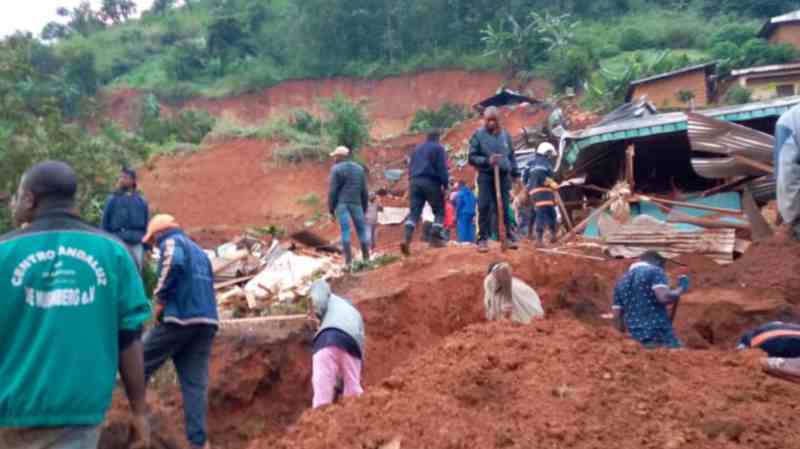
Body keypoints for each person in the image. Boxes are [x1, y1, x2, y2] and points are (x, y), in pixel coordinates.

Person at [0, 161, 151, 449]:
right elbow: (129, 339)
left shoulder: (4, 253)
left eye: (18, 195)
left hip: (10, 412)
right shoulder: (114, 253)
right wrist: (140, 411)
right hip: (79, 415)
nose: (14, 203)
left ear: (30, 199)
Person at [141, 214, 219, 449]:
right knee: (194, 385)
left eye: (153, 243)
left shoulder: (172, 242)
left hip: (180, 319)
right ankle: (199, 442)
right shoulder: (200, 253)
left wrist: (160, 300)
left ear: (158, 234)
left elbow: (173, 263)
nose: (155, 248)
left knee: (135, 364)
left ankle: (121, 416)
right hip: (206, 323)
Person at [468, 106, 521, 252]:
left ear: (498, 120)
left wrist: (516, 174)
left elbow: (511, 156)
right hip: (485, 175)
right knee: (484, 206)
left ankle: (509, 236)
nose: (491, 123)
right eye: (488, 120)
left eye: (494, 120)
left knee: (504, 206)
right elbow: (471, 158)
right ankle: (482, 239)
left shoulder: (505, 136)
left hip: (503, 176)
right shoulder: (478, 135)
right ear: (484, 120)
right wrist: (487, 160)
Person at [612, 251, 689, 349]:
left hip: (636, 341)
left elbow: (617, 317)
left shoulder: (620, 282)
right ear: (658, 262)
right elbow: (664, 297)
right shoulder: (655, 271)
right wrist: (681, 288)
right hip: (660, 337)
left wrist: (622, 342)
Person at [308, 280, 365, 408]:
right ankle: (358, 414)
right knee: (353, 391)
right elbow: (359, 349)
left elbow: (319, 287)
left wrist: (316, 314)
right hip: (351, 344)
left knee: (322, 395)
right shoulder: (355, 314)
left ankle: (318, 421)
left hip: (325, 341)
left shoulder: (329, 296)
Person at [401, 130, 450, 256]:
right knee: (439, 210)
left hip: (414, 182)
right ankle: (435, 238)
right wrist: (446, 185)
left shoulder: (416, 149)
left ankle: (406, 238)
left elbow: (410, 167)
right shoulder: (438, 148)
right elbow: (442, 168)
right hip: (430, 182)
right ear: (438, 138)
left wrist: (411, 182)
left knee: (414, 212)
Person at [328, 146, 370, 267]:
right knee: (362, 231)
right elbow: (364, 191)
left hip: (342, 204)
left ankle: (348, 262)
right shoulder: (359, 169)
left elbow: (333, 191)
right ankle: (367, 259)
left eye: (335, 156)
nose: (334, 158)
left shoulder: (336, 169)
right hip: (357, 204)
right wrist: (365, 208)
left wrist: (331, 209)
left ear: (340, 157)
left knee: (345, 232)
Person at [102, 167, 149, 270]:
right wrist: (105, 244)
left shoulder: (141, 201)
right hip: (117, 242)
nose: (122, 180)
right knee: (117, 273)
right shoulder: (112, 199)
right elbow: (105, 223)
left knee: (136, 274)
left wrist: (146, 249)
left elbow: (147, 226)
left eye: (125, 177)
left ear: (133, 181)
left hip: (136, 243)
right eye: (120, 177)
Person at [775, 104, 800, 239]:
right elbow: (787, 177)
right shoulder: (791, 121)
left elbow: (787, 176)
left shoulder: (790, 120)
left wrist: (789, 215)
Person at [527, 142, 559, 245]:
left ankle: (533, 234)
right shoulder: (545, 163)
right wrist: (551, 183)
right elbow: (542, 176)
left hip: (533, 193)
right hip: (543, 192)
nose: (550, 156)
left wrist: (530, 188)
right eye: (549, 153)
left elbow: (525, 178)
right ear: (545, 152)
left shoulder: (531, 163)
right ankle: (540, 239)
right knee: (547, 214)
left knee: (539, 213)